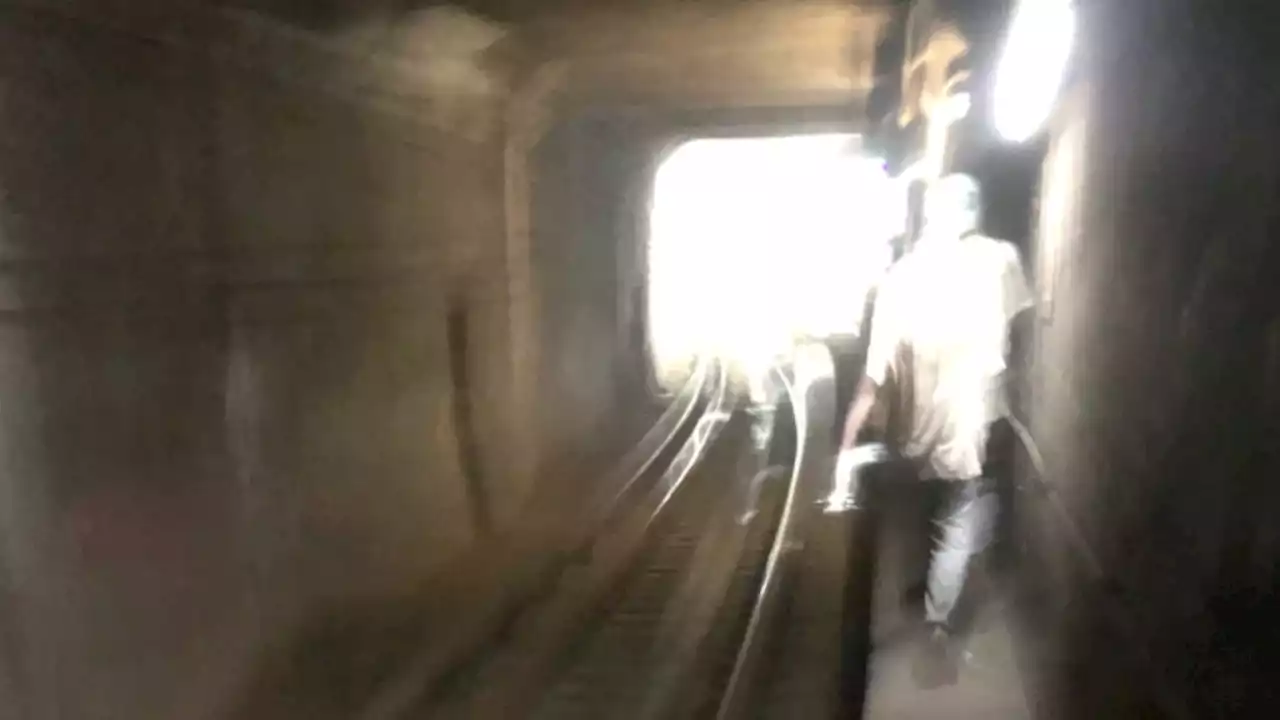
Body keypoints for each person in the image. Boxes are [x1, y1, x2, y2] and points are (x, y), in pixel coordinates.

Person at [836, 173, 1033, 686]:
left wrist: (846, 443)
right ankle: (937, 619)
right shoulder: (1000, 260)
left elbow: (871, 380)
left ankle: (929, 592)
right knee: (962, 520)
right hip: (970, 428)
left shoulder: (899, 278)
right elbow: (1021, 331)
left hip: (913, 434)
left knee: (932, 510)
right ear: (974, 212)